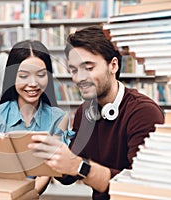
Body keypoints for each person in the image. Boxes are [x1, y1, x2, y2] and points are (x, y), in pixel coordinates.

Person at [27, 25, 165, 200]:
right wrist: (51, 156)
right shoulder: (85, 112)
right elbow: (69, 177)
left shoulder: (144, 113)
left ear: (113, 65)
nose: (79, 78)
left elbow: (139, 188)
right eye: (74, 70)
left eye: (88, 67)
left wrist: (78, 166)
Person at [0, 40, 74, 197]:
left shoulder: (59, 119)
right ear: (12, 76)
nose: (33, 83)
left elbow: (45, 175)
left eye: (41, 75)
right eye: (23, 76)